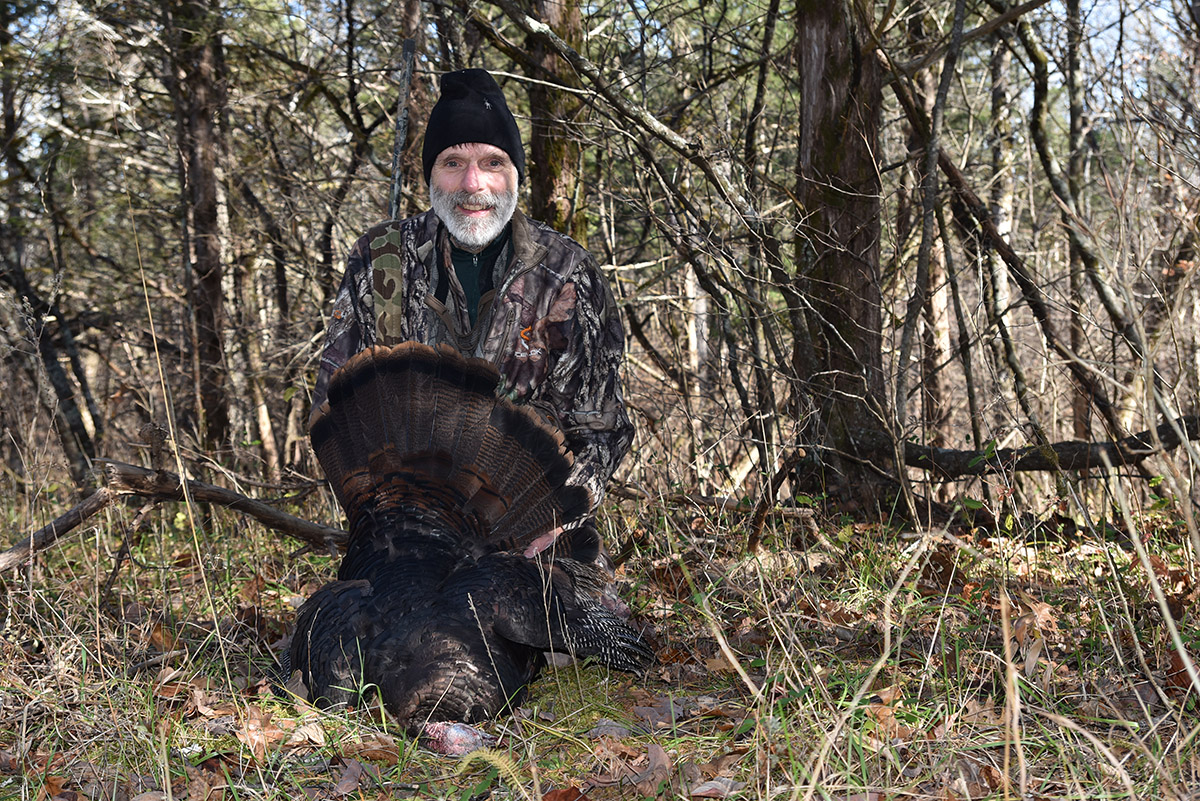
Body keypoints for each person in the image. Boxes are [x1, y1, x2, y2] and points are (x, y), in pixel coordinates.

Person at [314, 68, 633, 508]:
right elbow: (335, 411)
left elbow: (600, 428)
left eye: (492, 163)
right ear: (430, 175)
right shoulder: (379, 259)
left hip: (531, 523)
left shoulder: (568, 270)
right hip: (402, 522)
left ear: (515, 175)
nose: (472, 184)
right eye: (453, 163)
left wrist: (561, 513)